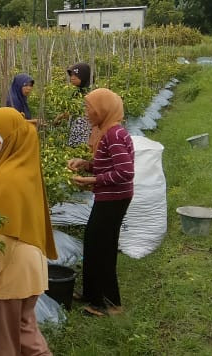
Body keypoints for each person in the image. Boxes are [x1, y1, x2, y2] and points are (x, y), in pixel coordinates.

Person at [0, 107, 58, 356]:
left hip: (7, 275)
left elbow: (3, 238)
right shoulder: (22, 171)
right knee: (26, 338)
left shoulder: (7, 179)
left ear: (6, 138)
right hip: (29, 270)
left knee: (0, 345)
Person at [66, 88, 134, 317]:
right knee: (93, 242)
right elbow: (108, 164)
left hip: (114, 199)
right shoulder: (107, 131)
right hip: (109, 196)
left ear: (103, 109)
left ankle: (110, 304)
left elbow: (125, 172)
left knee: (103, 248)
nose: (87, 113)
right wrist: (86, 164)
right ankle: (91, 294)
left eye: (90, 108)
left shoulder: (113, 134)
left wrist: (93, 180)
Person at [63, 63, 92, 147]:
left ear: (83, 76)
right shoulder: (76, 92)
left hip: (85, 135)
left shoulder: (91, 93)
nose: (72, 78)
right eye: (71, 75)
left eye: (76, 75)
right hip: (75, 134)